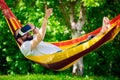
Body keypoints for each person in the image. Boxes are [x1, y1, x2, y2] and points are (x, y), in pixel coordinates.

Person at [15, 8, 110, 57]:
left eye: (26, 31)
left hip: (62, 53)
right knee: (84, 45)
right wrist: (45, 18)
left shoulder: (31, 41)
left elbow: (39, 33)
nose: (27, 33)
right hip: (58, 57)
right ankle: (102, 32)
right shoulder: (25, 47)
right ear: (19, 39)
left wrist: (33, 27)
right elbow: (40, 37)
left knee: (85, 42)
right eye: (23, 33)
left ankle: (102, 32)